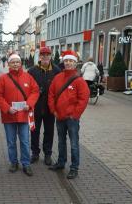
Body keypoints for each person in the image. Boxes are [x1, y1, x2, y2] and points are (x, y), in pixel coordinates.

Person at [0, 53, 39, 176]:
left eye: (17, 62)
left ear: (20, 63)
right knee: (11, 141)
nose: (15, 64)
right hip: (9, 116)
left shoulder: (28, 77)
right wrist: (7, 108)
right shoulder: (3, 78)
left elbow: (35, 91)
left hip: (24, 115)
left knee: (24, 141)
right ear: (8, 64)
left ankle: (26, 163)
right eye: (13, 62)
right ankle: (13, 162)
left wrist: (29, 104)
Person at [48, 50, 89, 179]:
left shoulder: (79, 81)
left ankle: (74, 167)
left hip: (72, 119)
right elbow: (51, 95)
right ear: (63, 62)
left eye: (71, 61)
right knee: (61, 142)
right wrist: (53, 110)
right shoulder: (57, 78)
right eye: (66, 61)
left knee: (74, 143)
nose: (68, 63)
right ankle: (61, 162)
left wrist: (75, 115)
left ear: (75, 63)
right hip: (59, 116)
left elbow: (84, 99)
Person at [27, 47, 60, 165]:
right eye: (43, 55)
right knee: (34, 131)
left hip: (50, 107)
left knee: (49, 131)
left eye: (47, 55)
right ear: (39, 56)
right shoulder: (32, 71)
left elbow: (59, 90)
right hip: (35, 107)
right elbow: (28, 89)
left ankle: (48, 154)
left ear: (50, 56)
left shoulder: (56, 71)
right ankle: (35, 153)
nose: (45, 57)